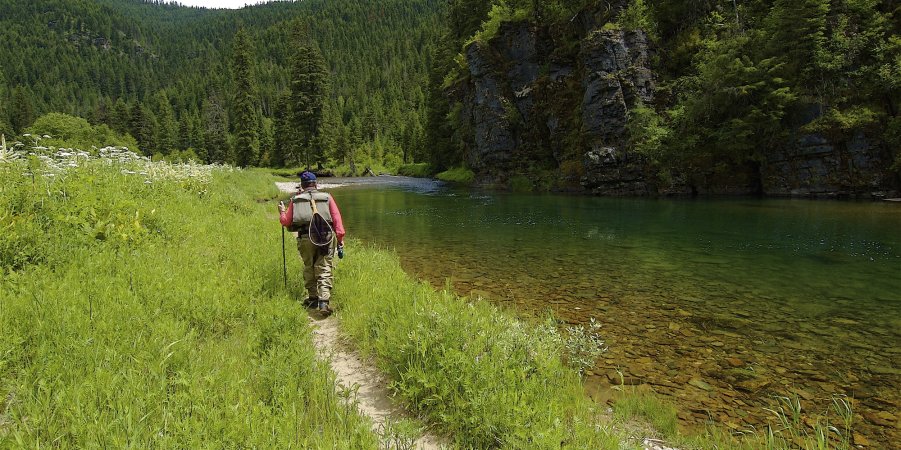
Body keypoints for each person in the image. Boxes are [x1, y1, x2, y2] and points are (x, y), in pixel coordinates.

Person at [279, 171, 346, 315]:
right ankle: (324, 302)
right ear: (316, 184)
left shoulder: (295, 200)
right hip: (325, 238)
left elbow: (286, 222)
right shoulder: (327, 198)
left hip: (305, 238)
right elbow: (338, 223)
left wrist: (282, 211)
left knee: (309, 266)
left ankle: (313, 298)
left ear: (302, 186)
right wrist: (340, 241)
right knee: (325, 267)